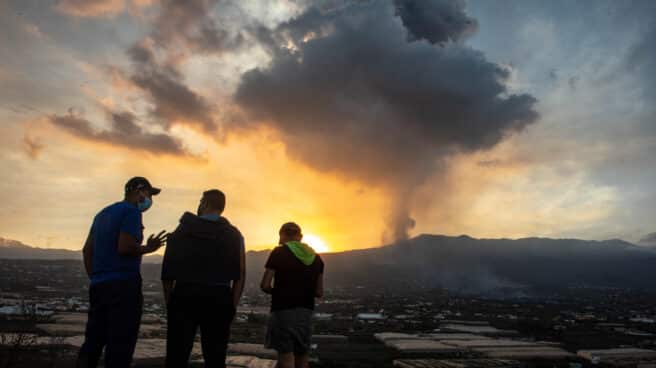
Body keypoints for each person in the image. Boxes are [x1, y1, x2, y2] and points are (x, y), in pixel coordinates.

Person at [77, 177, 167, 368]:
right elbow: (124, 247)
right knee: (120, 345)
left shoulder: (102, 214)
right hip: (124, 287)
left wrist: (95, 277)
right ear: (139, 190)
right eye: (149, 194)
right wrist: (148, 248)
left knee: (93, 342)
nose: (150, 200)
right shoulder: (131, 212)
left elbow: (87, 250)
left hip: (99, 286)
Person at [161, 189, 246, 368]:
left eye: (200, 202)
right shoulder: (234, 234)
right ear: (222, 207)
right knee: (215, 357)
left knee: (177, 355)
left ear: (205, 203)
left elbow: (167, 270)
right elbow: (241, 273)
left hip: (184, 295)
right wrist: (232, 304)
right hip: (219, 297)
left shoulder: (183, 229)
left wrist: (170, 300)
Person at [260, 222, 324, 368]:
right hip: (305, 313)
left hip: (283, 311)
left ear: (282, 235)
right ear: (300, 237)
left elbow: (265, 285)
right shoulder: (317, 258)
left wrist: (279, 292)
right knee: (302, 358)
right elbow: (319, 292)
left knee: (286, 358)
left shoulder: (278, 252)